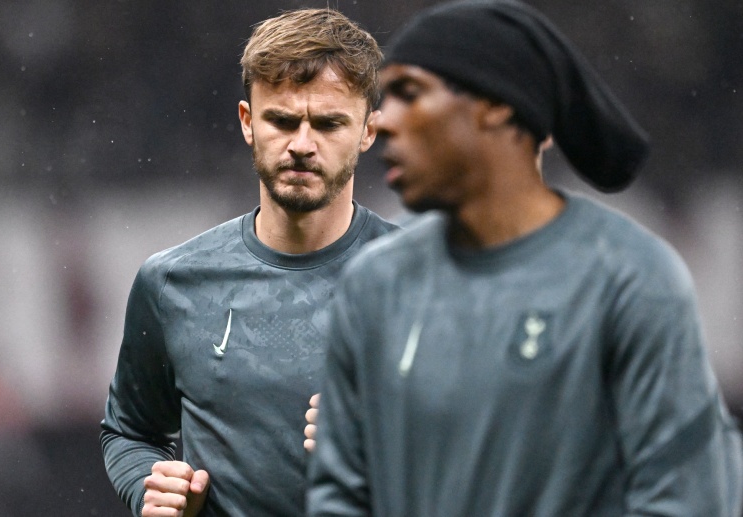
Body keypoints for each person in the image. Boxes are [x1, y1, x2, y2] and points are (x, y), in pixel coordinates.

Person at [307, 1, 743, 516]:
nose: (382, 122)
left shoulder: (628, 276)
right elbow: (339, 493)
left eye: (411, 94)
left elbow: (687, 497)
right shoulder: (374, 281)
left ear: (495, 106)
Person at [100, 8, 396, 517]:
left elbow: (488, 450)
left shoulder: (421, 281)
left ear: (368, 130)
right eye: (282, 120)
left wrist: (390, 449)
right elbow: (129, 431)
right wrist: (151, 486)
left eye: (329, 124)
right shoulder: (172, 283)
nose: (302, 145)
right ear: (247, 122)